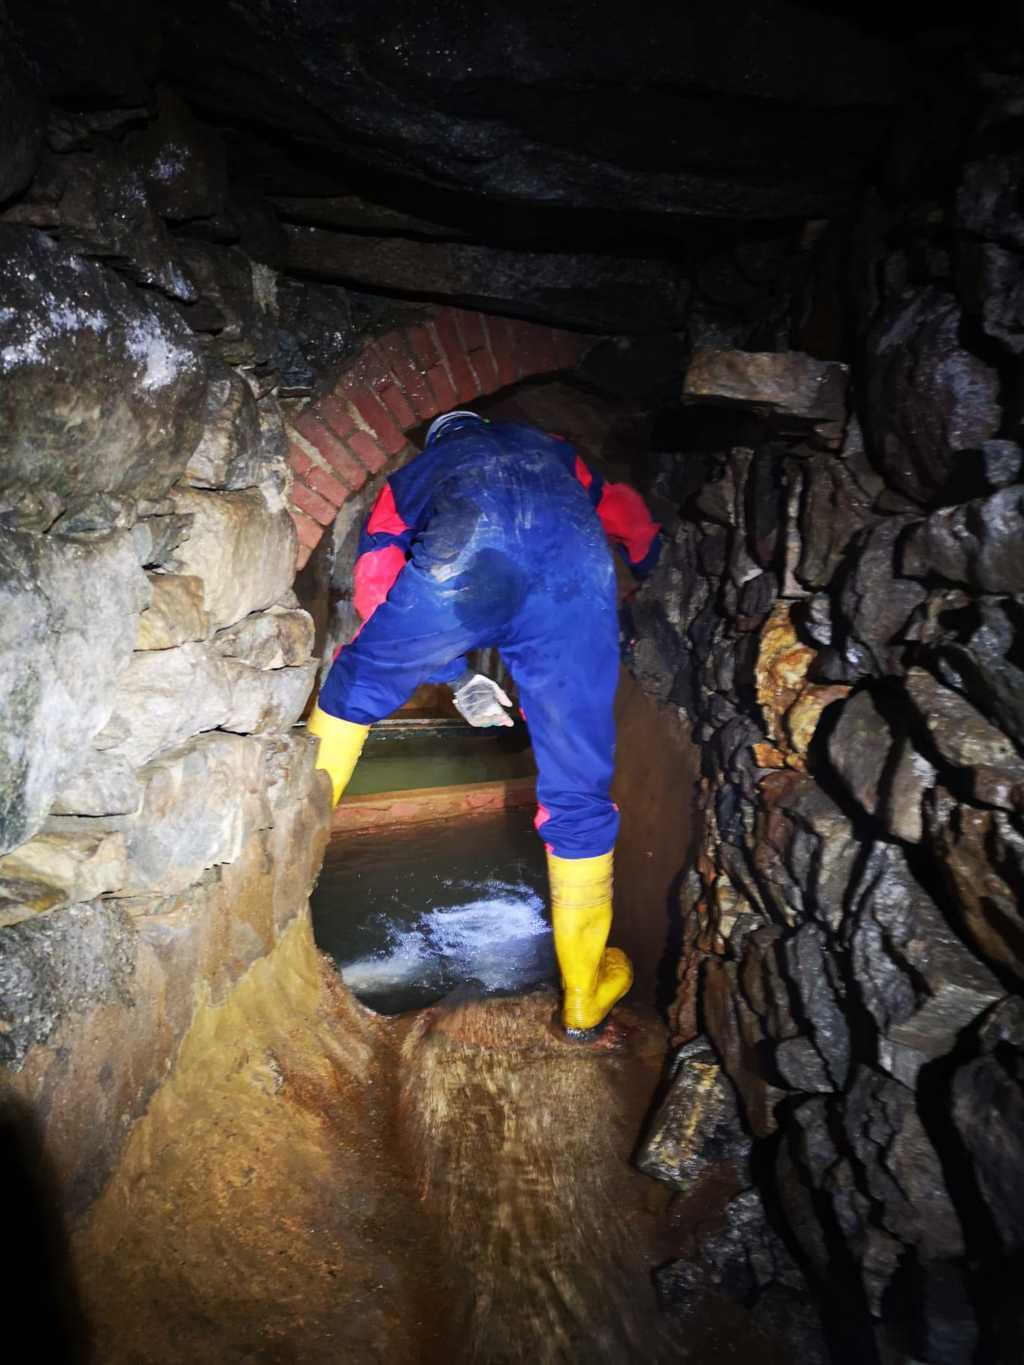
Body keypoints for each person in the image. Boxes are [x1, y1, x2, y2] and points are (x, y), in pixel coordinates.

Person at [306, 409, 661, 1039]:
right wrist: (651, 560)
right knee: (578, 790)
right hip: (575, 581)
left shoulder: (418, 473)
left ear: (443, 436)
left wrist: (453, 673)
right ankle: (584, 995)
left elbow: (375, 584)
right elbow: (623, 510)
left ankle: (292, 859)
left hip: (467, 556)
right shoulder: (553, 446)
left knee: (353, 688)